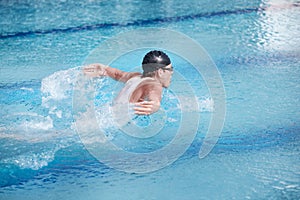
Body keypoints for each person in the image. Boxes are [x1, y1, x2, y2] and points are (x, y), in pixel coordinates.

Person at [83, 50, 173, 115]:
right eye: (170, 69)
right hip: (113, 123)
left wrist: (103, 69)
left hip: (104, 113)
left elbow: (117, 74)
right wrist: (155, 104)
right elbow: (154, 95)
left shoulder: (135, 76)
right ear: (160, 71)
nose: (172, 73)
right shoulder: (154, 84)